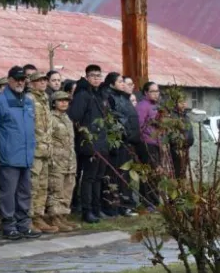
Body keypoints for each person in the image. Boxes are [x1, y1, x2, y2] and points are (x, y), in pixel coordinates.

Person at [0, 66, 41, 240]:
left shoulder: (28, 101)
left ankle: (24, 225)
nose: (20, 82)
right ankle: (9, 226)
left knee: (25, 192)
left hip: (26, 155)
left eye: (23, 79)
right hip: (8, 156)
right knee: (8, 194)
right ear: (9, 80)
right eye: (17, 79)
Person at [69, 64, 110, 224]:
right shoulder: (83, 94)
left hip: (102, 141)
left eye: (99, 76)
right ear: (86, 77)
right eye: (93, 76)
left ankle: (96, 207)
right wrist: (86, 135)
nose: (96, 78)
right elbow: (75, 116)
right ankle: (87, 211)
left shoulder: (100, 94)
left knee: (98, 177)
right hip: (89, 143)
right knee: (89, 178)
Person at [101, 72, 139, 217]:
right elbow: (113, 118)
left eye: (123, 81)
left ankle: (125, 205)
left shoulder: (124, 97)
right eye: (119, 81)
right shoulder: (110, 97)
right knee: (115, 175)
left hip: (128, 141)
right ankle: (113, 205)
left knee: (125, 175)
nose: (123, 84)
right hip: (117, 141)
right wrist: (124, 129)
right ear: (111, 84)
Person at [27, 72, 57, 233]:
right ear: (31, 83)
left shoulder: (44, 98)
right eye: (39, 81)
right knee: (32, 185)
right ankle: (29, 218)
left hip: (46, 149)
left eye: (45, 80)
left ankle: (39, 216)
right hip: (35, 149)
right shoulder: (29, 99)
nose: (43, 83)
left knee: (43, 186)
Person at [46, 91, 78, 231]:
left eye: (66, 100)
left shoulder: (66, 118)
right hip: (56, 160)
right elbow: (47, 139)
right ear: (54, 102)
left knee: (67, 190)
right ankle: (55, 218)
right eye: (60, 100)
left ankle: (63, 216)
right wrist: (51, 158)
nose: (64, 103)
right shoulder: (50, 118)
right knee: (56, 190)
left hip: (69, 160)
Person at [135, 82, 162, 209]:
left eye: (157, 91)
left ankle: (155, 200)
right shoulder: (142, 106)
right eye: (152, 91)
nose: (156, 94)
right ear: (146, 92)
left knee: (156, 173)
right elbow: (139, 126)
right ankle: (147, 201)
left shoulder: (157, 106)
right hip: (146, 144)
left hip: (157, 143)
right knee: (148, 173)